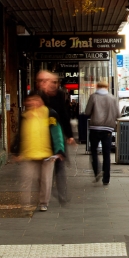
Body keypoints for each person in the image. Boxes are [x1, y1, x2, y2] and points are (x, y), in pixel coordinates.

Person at [11, 94, 65, 212]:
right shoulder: (25, 116)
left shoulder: (50, 114)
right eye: (29, 100)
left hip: (47, 154)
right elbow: (20, 134)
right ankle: (25, 203)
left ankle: (43, 202)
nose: (32, 102)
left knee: (45, 180)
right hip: (29, 154)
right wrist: (16, 151)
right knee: (27, 179)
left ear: (41, 101)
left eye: (35, 100)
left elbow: (56, 132)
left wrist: (59, 150)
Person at [36, 70, 74, 206]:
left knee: (59, 164)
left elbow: (64, 114)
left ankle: (61, 194)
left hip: (56, 134)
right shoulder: (36, 95)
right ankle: (45, 191)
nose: (45, 84)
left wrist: (69, 135)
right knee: (40, 168)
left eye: (48, 81)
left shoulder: (59, 95)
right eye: (42, 81)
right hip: (40, 137)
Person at [84, 81, 119, 186]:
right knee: (106, 153)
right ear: (107, 87)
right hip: (108, 129)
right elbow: (118, 114)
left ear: (97, 87)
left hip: (95, 128)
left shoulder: (93, 97)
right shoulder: (112, 98)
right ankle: (106, 179)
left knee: (94, 151)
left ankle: (97, 170)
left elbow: (87, 112)